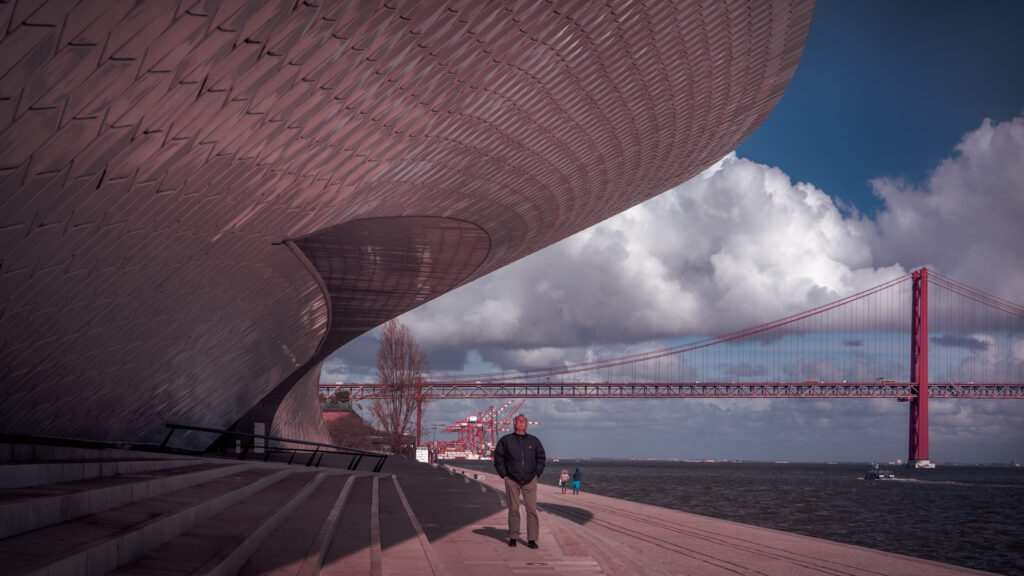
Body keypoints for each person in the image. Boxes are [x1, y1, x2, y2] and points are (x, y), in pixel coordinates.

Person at [493, 413, 546, 549]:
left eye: (523, 421)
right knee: (513, 510)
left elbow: (541, 458)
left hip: (530, 480)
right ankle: (513, 537)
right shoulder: (506, 440)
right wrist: (504, 474)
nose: (521, 423)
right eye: (519, 421)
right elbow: (498, 458)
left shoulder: (534, 441)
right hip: (512, 479)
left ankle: (532, 539)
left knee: (532, 510)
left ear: (526, 424)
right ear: (514, 424)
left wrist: (537, 474)